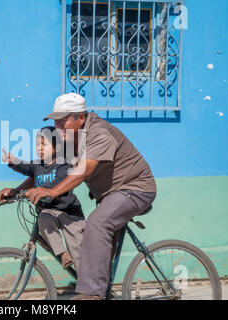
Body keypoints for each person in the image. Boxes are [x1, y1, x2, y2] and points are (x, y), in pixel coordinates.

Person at [25, 93, 157, 300]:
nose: (57, 125)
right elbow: (45, 169)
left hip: (136, 188)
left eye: (63, 119)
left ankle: (90, 294)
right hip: (110, 195)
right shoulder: (68, 138)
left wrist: (52, 192)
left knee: (97, 223)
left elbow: (84, 171)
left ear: (80, 117)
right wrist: (18, 190)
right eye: (55, 121)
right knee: (96, 248)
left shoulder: (98, 133)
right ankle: (102, 292)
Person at [0, 126, 85, 271]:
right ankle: (62, 254)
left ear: (56, 147)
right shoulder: (38, 165)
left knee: (79, 254)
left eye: (44, 144)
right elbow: (26, 167)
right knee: (43, 218)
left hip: (69, 213)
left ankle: (89, 284)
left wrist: (36, 191)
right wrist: (13, 161)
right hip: (49, 211)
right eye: (37, 145)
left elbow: (58, 184)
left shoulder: (63, 164)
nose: (40, 148)